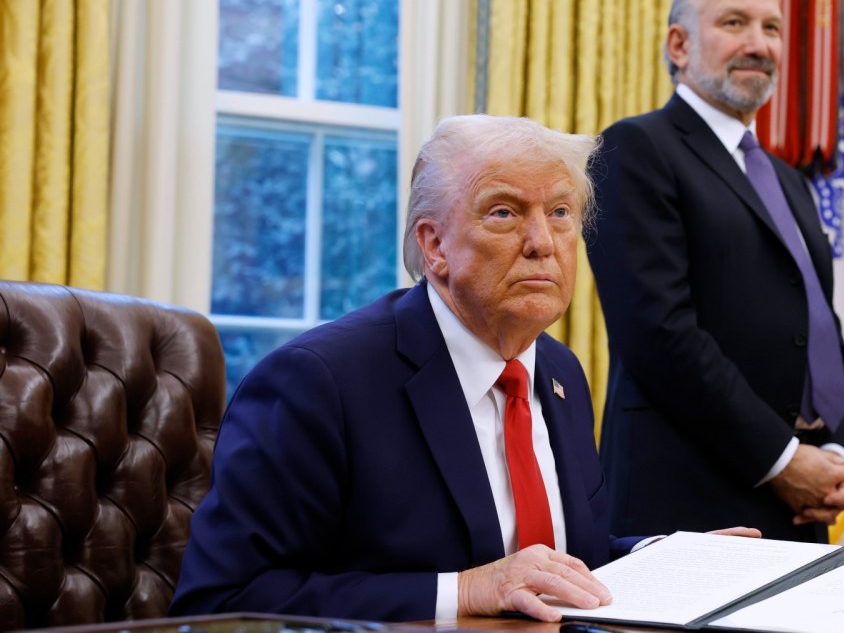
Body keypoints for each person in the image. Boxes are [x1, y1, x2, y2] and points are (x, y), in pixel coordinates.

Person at [171, 115, 759, 623]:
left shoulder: (560, 371)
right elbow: (224, 602)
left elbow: (558, 557)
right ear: (435, 246)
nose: (542, 242)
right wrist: (467, 591)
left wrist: (668, 558)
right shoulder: (318, 382)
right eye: (504, 213)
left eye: (560, 213)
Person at [585, 0, 844, 544]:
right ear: (679, 45)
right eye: (735, 23)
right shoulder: (635, 148)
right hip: (687, 504)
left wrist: (833, 454)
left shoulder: (789, 180)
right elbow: (658, 333)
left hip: (802, 507)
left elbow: (819, 328)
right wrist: (783, 461)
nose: (759, 44)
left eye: (772, 28)